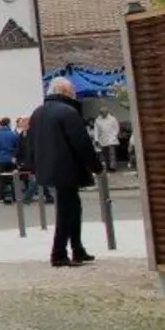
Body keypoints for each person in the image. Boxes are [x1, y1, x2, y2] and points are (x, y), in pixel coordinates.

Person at [29, 77, 103, 267]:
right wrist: (96, 166)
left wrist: (34, 165)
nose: (74, 95)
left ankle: (77, 249)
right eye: (73, 91)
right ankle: (59, 253)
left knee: (73, 208)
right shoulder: (68, 112)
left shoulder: (38, 112)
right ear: (64, 91)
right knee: (66, 211)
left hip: (48, 167)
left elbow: (30, 142)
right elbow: (81, 142)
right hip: (67, 167)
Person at [0, 118, 20, 204]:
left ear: (1, 125)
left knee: (1, 180)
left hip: (1, 159)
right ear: (8, 124)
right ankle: (15, 198)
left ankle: (1, 199)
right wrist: (14, 156)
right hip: (12, 159)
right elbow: (17, 147)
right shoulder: (13, 134)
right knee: (14, 179)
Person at [93, 108, 121, 172]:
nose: (103, 113)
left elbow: (117, 128)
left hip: (112, 139)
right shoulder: (98, 120)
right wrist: (96, 139)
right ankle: (108, 166)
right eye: (102, 112)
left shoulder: (112, 119)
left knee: (112, 154)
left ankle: (112, 167)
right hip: (102, 139)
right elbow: (96, 130)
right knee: (105, 154)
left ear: (107, 112)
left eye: (104, 112)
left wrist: (114, 136)